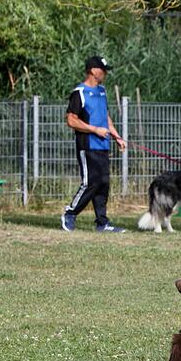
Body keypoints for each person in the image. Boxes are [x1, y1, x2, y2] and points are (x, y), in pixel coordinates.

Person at [62, 55, 127, 233]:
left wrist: (117, 136)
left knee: (103, 183)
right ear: (93, 71)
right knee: (91, 182)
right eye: (103, 70)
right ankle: (70, 213)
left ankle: (102, 223)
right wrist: (94, 130)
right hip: (87, 145)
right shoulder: (79, 93)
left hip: (103, 145)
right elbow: (71, 120)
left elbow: (105, 117)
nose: (105, 73)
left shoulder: (102, 91)